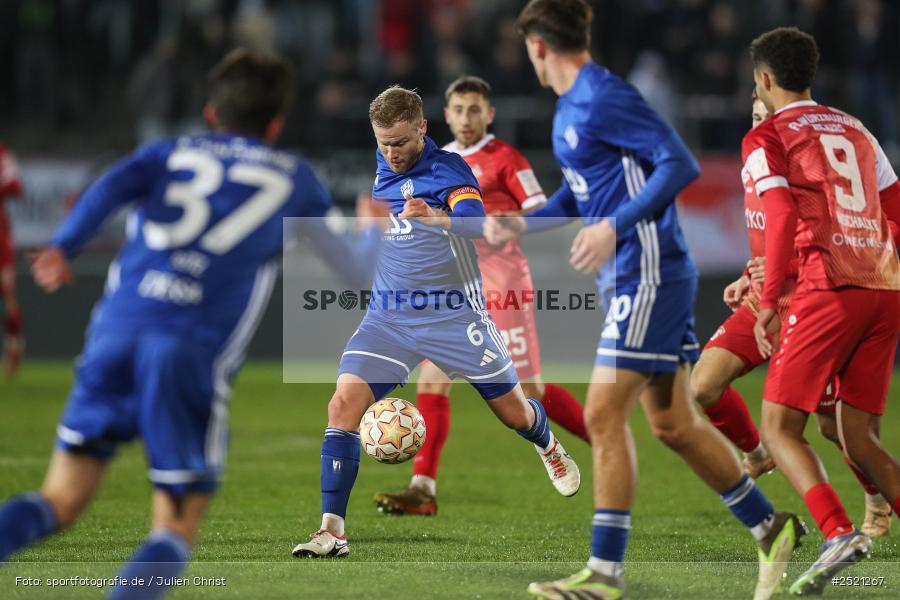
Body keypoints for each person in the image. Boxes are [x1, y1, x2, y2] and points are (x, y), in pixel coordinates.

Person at [0, 49, 383, 600]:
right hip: (186, 352)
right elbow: (356, 275)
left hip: (114, 336)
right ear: (274, 124)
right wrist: (371, 231)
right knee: (173, 529)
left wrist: (64, 246)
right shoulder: (296, 180)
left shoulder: (166, 152)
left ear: (210, 112)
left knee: (58, 500)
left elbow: (107, 188)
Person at [486, 2, 803, 599]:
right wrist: (529, 224)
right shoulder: (571, 109)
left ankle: (604, 575)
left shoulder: (604, 94)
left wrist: (615, 227)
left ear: (535, 46)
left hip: (649, 271)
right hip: (634, 275)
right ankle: (771, 528)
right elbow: (584, 194)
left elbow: (677, 162)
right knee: (674, 423)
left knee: (604, 413)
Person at [291, 85, 581, 559]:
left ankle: (546, 442)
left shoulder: (450, 170)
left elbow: (475, 221)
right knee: (342, 405)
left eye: (401, 142)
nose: (391, 152)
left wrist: (439, 218)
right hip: (390, 317)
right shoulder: (386, 160)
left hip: (455, 317)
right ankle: (332, 532)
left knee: (515, 412)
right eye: (382, 142)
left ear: (423, 129)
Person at [372, 75, 589, 517]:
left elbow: (543, 212)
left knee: (528, 390)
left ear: (489, 114)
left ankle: (605, 439)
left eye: (475, 110)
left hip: (504, 280)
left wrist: (513, 223)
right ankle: (422, 487)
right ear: (442, 117)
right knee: (432, 380)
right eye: (458, 109)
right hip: (456, 287)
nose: (466, 118)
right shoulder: (427, 161)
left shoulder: (506, 158)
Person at [692, 92, 898, 537]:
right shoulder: (757, 156)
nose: (757, 111)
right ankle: (759, 451)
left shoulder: (811, 156)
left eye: (764, 104)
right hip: (764, 298)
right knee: (704, 384)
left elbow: (823, 229)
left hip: (813, 300)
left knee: (835, 428)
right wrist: (751, 275)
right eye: (752, 105)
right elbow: (770, 233)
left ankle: (874, 500)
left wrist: (783, 270)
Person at [746, 26, 900, 595]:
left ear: (764, 79)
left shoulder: (769, 133)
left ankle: (838, 532)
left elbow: (781, 216)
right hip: (884, 284)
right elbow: (895, 203)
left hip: (827, 285)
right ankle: (853, 524)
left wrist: (769, 301)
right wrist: (875, 253)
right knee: (857, 435)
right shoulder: (855, 127)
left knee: (779, 426)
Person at [0, 142, 24, 378]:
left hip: (0, 238)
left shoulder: (2, 154)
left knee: (7, 294)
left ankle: (14, 347)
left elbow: (16, 186)